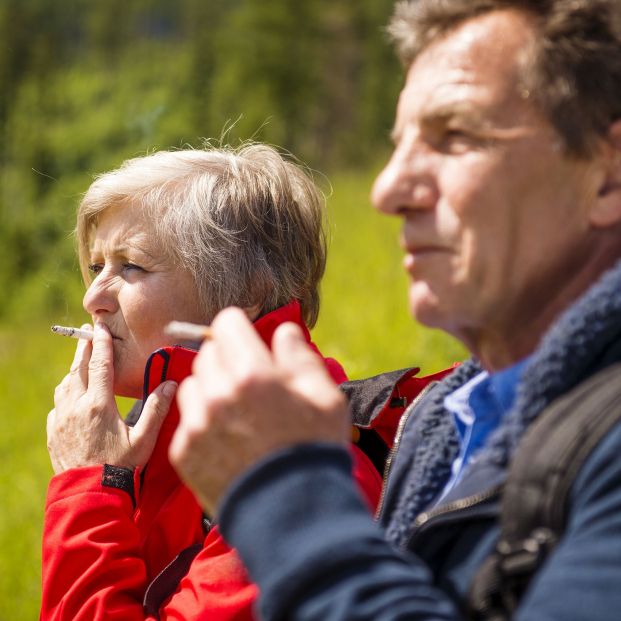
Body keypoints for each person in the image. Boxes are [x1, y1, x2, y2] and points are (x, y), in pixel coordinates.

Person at [168, 1, 621, 619]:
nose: (388, 190)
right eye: (400, 142)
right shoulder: (440, 419)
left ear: (606, 175)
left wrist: (288, 494)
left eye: (455, 137)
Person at [41, 143, 440, 620]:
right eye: (95, 267)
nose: (93, 298)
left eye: (131, 266)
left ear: (245, 293)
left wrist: (86, 489)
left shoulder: (300, 464)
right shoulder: (148, 436)